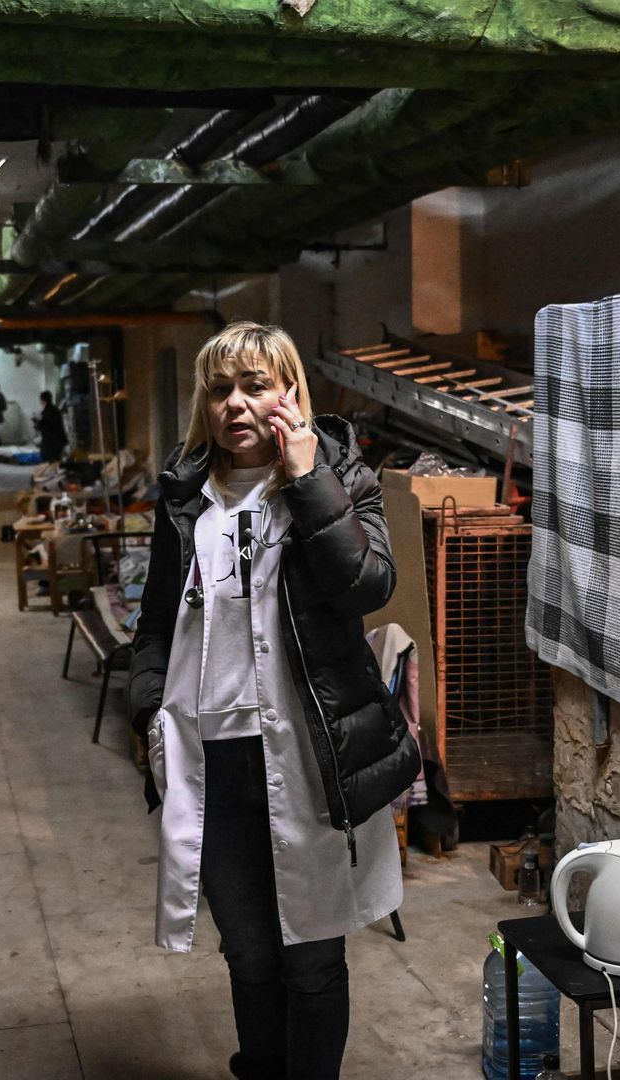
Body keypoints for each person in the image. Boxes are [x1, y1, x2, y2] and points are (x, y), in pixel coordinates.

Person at [129, 321, 419, 1080]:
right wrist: (146, 710)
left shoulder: (341, 475)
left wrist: (306, 476)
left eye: (255, 385)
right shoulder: (186, 494)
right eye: (220, 389)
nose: (235, 404)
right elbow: (156, 623)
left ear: (290, 392)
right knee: (250, 951)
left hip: (307, 754)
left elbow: (368, 586)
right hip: (213, 761)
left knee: (313, 954)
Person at [35, 390, 68, 465]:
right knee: (56, 461)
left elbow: (42, 426)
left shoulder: (46, 412)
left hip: (50, 442)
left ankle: (51, 475)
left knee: (49, 462)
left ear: (43, 400)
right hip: (59, 440)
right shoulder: (55, 410)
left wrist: (37, 421)